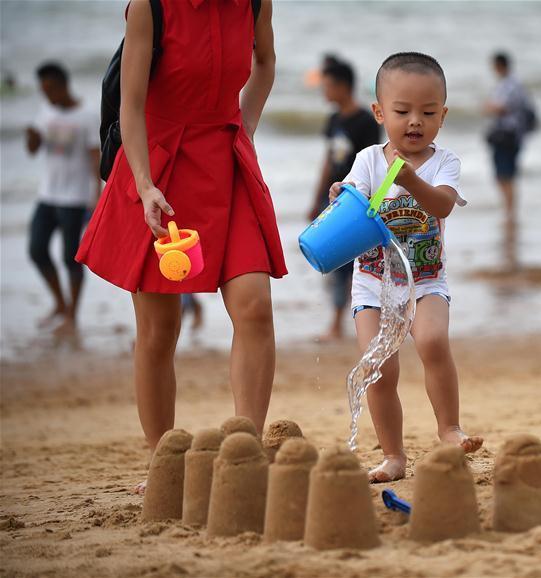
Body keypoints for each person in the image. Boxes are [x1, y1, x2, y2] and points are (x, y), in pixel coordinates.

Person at [75, 0, 286, 491]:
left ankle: (245, 453)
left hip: (225, 159)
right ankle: (162, 461)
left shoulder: (255, 1)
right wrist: (145, 185)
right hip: (159, 164)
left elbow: (266, 62)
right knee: (159, 327)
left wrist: (247, 126)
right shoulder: (149, 6)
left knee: (254, 306)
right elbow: (130, 104)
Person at [329, 52, 483, 483]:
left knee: (433, 341)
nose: (415, 121)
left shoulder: (443, 163)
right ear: (379, 112)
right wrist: (341, 195)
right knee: (380, 367)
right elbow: (354, 204)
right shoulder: (368, 161)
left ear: (443, 116)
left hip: (426, 278)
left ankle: (449, 427)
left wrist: (412, 179)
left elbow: (443, 205)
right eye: (402, 111)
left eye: (428, 112)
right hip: (372, 284)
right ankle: (394, 456)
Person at [308, 58, 381, 341]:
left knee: (356, 263)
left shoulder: (365, 121)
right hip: (334, 196)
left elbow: (374, 163)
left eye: (327, 86)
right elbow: (328, 161)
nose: (324, 92)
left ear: (342, 86)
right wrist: (316, 199)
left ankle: (341, 323)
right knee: (334, 258)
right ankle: (339, 321)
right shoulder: (334, 119)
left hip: (358, 201)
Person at [25, 62, 100, 335]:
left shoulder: (87, 115)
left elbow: (95, 156)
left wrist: (96, 192)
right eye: (42, 91)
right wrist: (30, 137)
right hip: (47, 195)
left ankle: (72, 314)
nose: (46, 96)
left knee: (71, 258)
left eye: (49, 89)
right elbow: (33, 150)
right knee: (36, 250)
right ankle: (59, 303)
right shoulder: (45, 111)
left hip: (75, 199)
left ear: (62, 84)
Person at [484, 51, 534, 267]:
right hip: (512, 135)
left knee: (505, 174)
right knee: (504, 175)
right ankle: (509, 210)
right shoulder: (514, 84)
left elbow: (501, 107)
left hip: (508, 135)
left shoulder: (509, 85)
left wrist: (488, 107)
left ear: (499, 66)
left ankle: (510, 211)